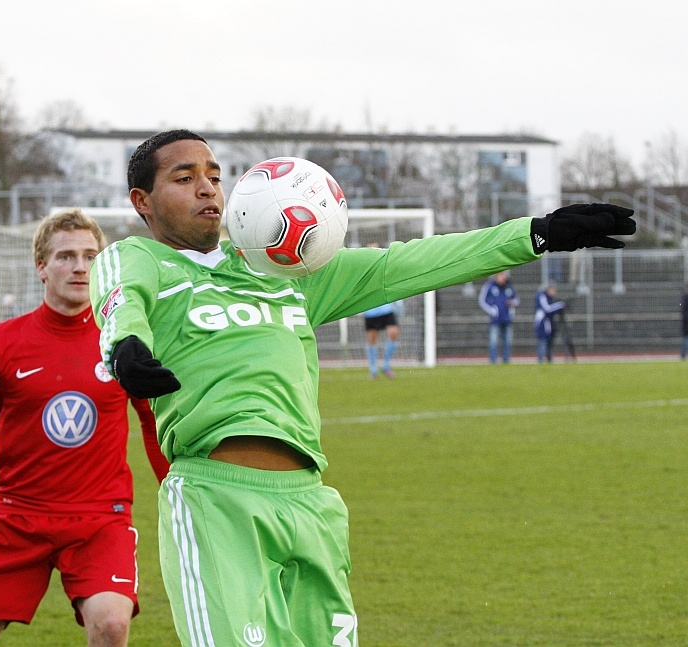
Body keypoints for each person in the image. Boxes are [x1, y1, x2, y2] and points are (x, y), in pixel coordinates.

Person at [88, 129, 634, 647]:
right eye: (184, 178)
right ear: (142, 201)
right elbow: (121, 297)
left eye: (214, 175)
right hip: (216, 499)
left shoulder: (282, 274)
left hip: (311, 502)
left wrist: (535, 234)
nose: (207, 188)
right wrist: (126, 345)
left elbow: (409, 263)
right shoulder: (139, 259)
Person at [0, 209, 169, 647]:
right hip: (19, 515)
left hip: (101, 517)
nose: (80, 267)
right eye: (65, 256)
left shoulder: (123, 344)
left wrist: (176, 492)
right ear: (41, 267)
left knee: (111, 623)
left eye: (90, 256)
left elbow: (153, 424)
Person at [479, 271, 520, 364]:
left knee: (507, 341)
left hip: (507, 318)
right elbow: (482, 300)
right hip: (495, 319)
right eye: (500, 276)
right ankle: (493, 360)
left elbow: (516, 300)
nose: (502, 278)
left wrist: (512, 303)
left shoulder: (509, 286)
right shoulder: (490, 286)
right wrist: (491, 310)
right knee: (494, 341)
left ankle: (506, 360)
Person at [363, 299, 402, 379]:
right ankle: (373, 368)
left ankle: (386, 365)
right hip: (370, 311)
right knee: (372, 338)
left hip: (386, 309)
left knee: (394, 333)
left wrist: (399, 303)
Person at [534, 282, 566, 363]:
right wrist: (560, 305)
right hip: (543, 322)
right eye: (553, 290)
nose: (554, 293)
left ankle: (549, 358)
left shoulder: (550, 298)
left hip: (548, 322)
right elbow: (547, 309)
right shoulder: (542, 296)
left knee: (549, 341)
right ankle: (540, 359)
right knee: (543, 341)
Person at [681, 283, 687, 360]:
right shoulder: (685, 298)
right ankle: (683, 354)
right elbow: (684, 311)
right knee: (686, 339)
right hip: (686, 323)